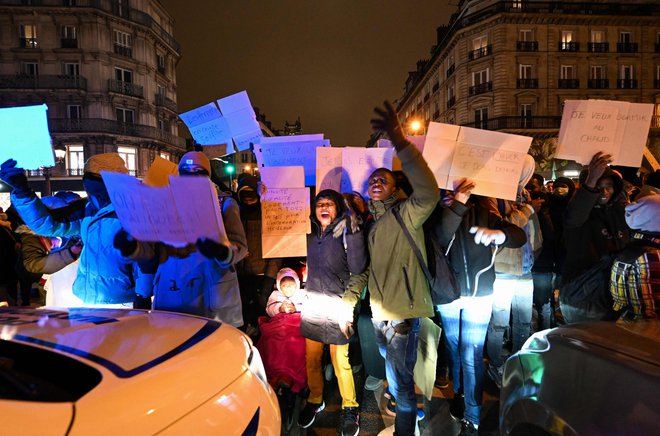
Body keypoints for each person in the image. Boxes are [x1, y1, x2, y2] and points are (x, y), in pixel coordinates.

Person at [344, 101, 439, 436]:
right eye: (372, 180)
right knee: (396, 375)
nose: (375, 182)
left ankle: (404, 430)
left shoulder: (407, 214)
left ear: (397, 188)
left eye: (382, 179)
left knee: (400, 385)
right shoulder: (372, 224)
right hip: (380, 315)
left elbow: (428, 191)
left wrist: (399, 139)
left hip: (402, 318)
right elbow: (367, 270)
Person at [427, 179, 526, 435]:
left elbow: (518, 235)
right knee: (453, 346)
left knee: (471, 353)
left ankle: (473, 415)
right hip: (448, 295)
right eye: (446, 189)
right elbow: (439, 237)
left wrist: (500, 234)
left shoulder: (483, 214)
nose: (452, 193)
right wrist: (455, 205)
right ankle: (460, 391)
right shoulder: (431, 215)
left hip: (479, 295)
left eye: (457, 189)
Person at [114, 151, 248, 326]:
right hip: (173, 288)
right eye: (186, 170)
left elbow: (240, 245)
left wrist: (222, 251)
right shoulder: (164, 203)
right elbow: (151, 248)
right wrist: (130, 247)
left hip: (210, 288)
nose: (192, 174)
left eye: (198, 170)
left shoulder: (225, 204)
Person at [0, 155, 150, 306]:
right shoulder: (87, 209)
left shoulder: (136, 211)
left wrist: (142, 295)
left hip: (123, 301)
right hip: (86, 298)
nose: (95, 196)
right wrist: (22, 191)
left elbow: (148, 257)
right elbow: (47, 224)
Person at [297, 189, 366, 436]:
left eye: (329, 203)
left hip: (338, 306)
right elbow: (281, 237)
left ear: (337, 208)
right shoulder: (308, 232)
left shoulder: (346, 230)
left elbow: (359, 267)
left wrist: (355, 230)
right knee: (312, 360)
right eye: (319, 204)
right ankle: (316, 399)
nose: (324, 207)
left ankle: (350, 407)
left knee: (340, 362)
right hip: (313, 304)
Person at [485, 155, 543, 387]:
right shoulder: (493, 197)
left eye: (525, 170)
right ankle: (495, 365)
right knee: (499, 323)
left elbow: (533, 232)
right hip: (503, 270)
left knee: (524, 321)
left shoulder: (525, 196)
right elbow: (506, 227)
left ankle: (518, 361)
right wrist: (527, 209)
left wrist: (536, 252)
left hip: (525, 269)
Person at [560, 152, 630, 323]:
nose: (604, 191)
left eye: (609, 186)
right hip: (582, 295)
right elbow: (574, 217)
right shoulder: (578, 211)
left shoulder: (620, 212)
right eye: (599, 185)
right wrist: (592, 179)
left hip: (613, 296)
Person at [236, 173, 282, 334]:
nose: (248, 200)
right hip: (239, 274)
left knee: (261, 316)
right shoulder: (234, 215)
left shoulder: (267, 215)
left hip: (262, 274)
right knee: (241, 315)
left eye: (252, 196)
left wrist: (269, 277)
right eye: (244, 196)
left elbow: (277, 247)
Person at [610, 193, 660, 320]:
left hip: (627, 327)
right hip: (645, 333)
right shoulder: (650, 255)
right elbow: (652, 311)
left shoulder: (634, 247)